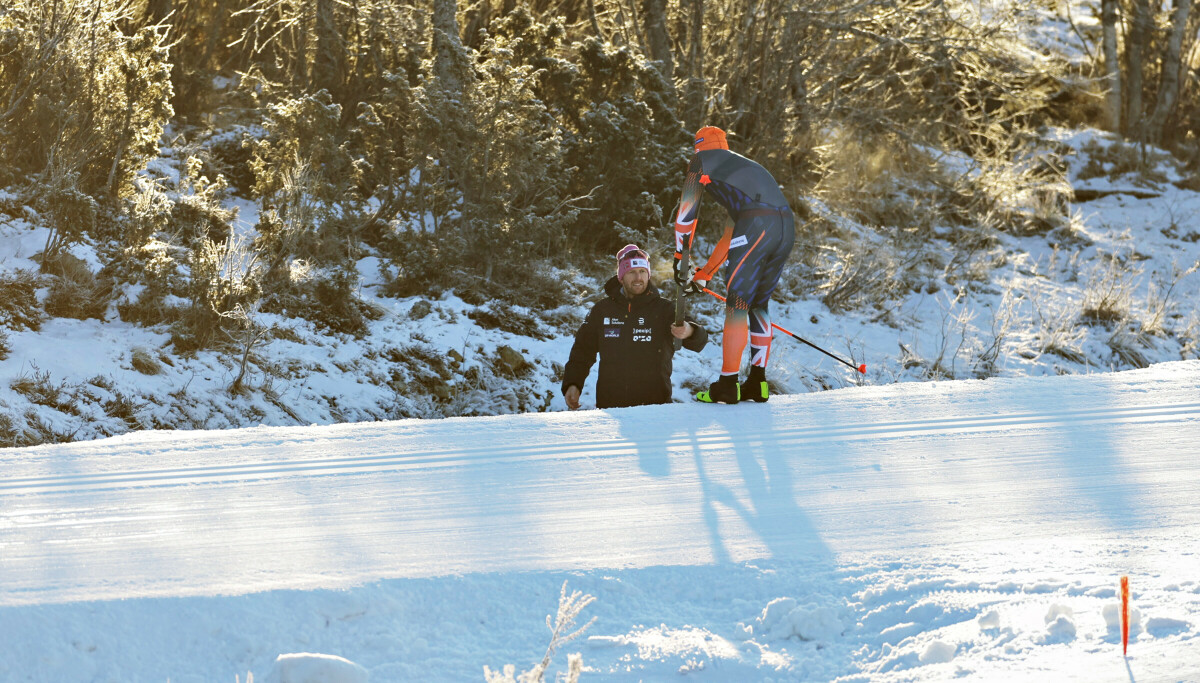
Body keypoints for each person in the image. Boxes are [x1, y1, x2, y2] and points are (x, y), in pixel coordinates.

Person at [672, 125, 795, 404]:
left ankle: (727, 385)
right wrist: (705, 273)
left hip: (757, 225)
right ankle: (758, 383)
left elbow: (686, 215)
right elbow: (732, 233)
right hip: (785, 226)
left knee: (737, 304)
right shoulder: (743, 172)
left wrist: (680, 258)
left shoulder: (701, 161)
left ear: (698, 147)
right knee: (758, 305)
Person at [562, 244, 708, 410]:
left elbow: (700, 341)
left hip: (656, 408)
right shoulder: (602, 310)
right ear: (621, 277)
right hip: (612, 409)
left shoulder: (665, 309)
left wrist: (689, 330)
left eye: (642, 271)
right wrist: (573, 383)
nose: (638, 277)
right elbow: (582, 351)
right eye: (631, 272)